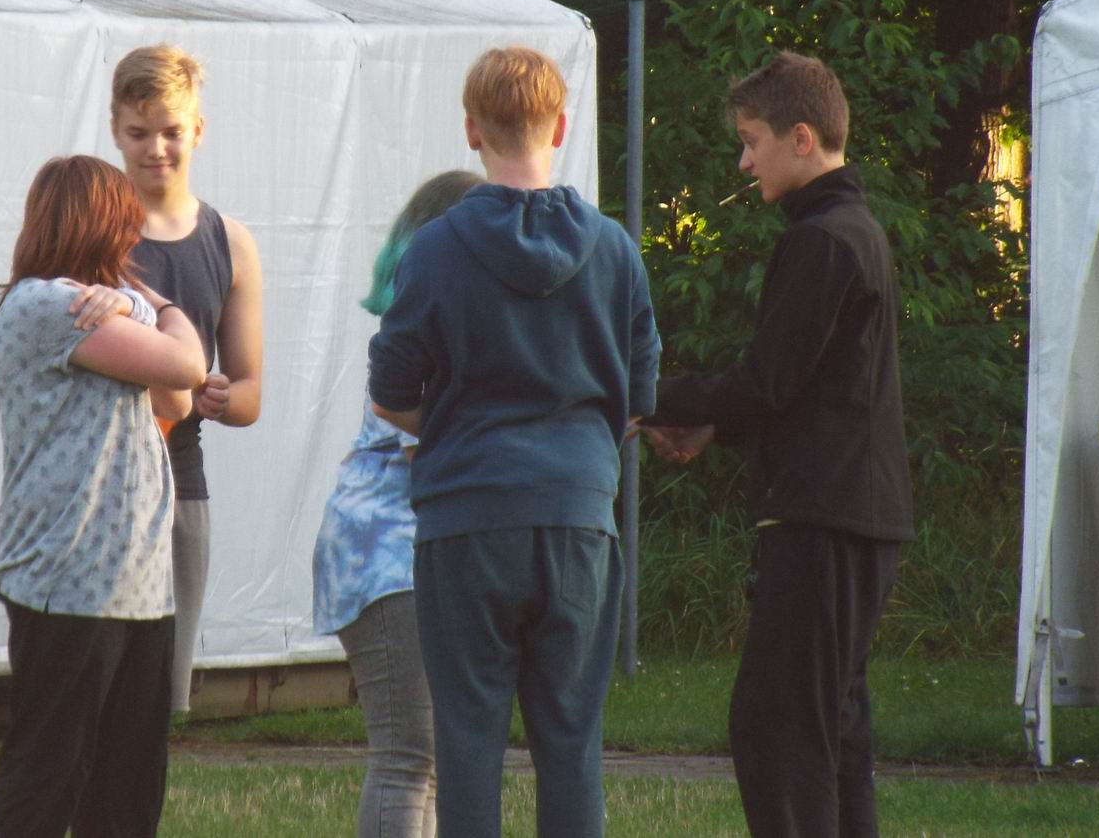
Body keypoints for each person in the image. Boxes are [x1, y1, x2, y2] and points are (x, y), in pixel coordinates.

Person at [369, 47, 661, 838]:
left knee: (467, 739)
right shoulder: (613, 249)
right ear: (559, 127)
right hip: (578, 518)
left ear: (472, 130)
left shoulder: (434, 249)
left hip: (466, 518)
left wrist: (452, 427)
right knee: (570, 741)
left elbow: (389, 392)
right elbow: (640, 399)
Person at [643, 51, 913, 838]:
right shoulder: (848, 231)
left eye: (751, 140)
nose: (743, 161)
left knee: (778, 733)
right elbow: (801, 386)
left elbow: (766, 382)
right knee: (829, 730)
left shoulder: (824, 240)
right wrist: (712, 422)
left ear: (801, 138)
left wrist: (645, 399)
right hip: (852, 512)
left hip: (824, 517)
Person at [0, 155, 207, 838]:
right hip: (71, 578)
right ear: (100, 225)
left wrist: (135, 302)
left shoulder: (100, 309)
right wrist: (160, 305)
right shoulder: (46, 305)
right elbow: (188, 364)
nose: (133, 239)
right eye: (125, 224)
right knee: (48, 777)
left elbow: (177, 400)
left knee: (126, 791)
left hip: (135, 583)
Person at [313, 168, 483, 838]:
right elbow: (428, 459)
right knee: (408, 759)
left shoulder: (425, 313)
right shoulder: (426, 324)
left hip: (390, 553)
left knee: (423, 762)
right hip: (385, 557)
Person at [108, 45, 263, 714]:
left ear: (197, 130)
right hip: (101, 483)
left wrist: (223, 395)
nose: (156, 149)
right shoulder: (92, 235)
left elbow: (250, 394)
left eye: (171, 131)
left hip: (181, 481)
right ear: (116, 131)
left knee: (161, 695)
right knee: (98, 689)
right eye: (138, 132)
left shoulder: (230, 241)